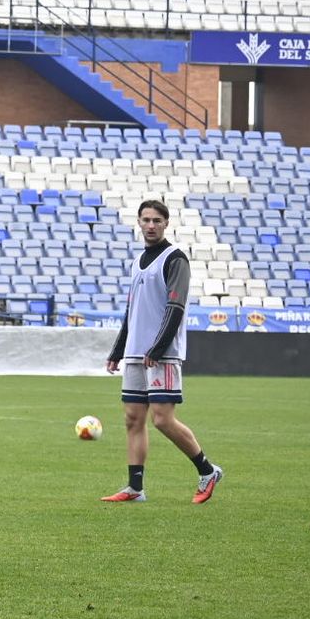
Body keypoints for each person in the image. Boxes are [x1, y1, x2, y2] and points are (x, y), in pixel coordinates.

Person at [100, 199, 222, 504]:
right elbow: (133, 311)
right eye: (146, 220)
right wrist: (118, 349)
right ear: (138, 223)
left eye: (157, 220)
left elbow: (175, 306)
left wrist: (158, 346)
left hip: (162, 353)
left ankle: (207, 471)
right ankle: (135, 488)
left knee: (163, 419)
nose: (151, 225)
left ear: (166, 223)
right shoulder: (137, 260)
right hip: (136, 353)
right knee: (132, 418)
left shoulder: (175, 258)